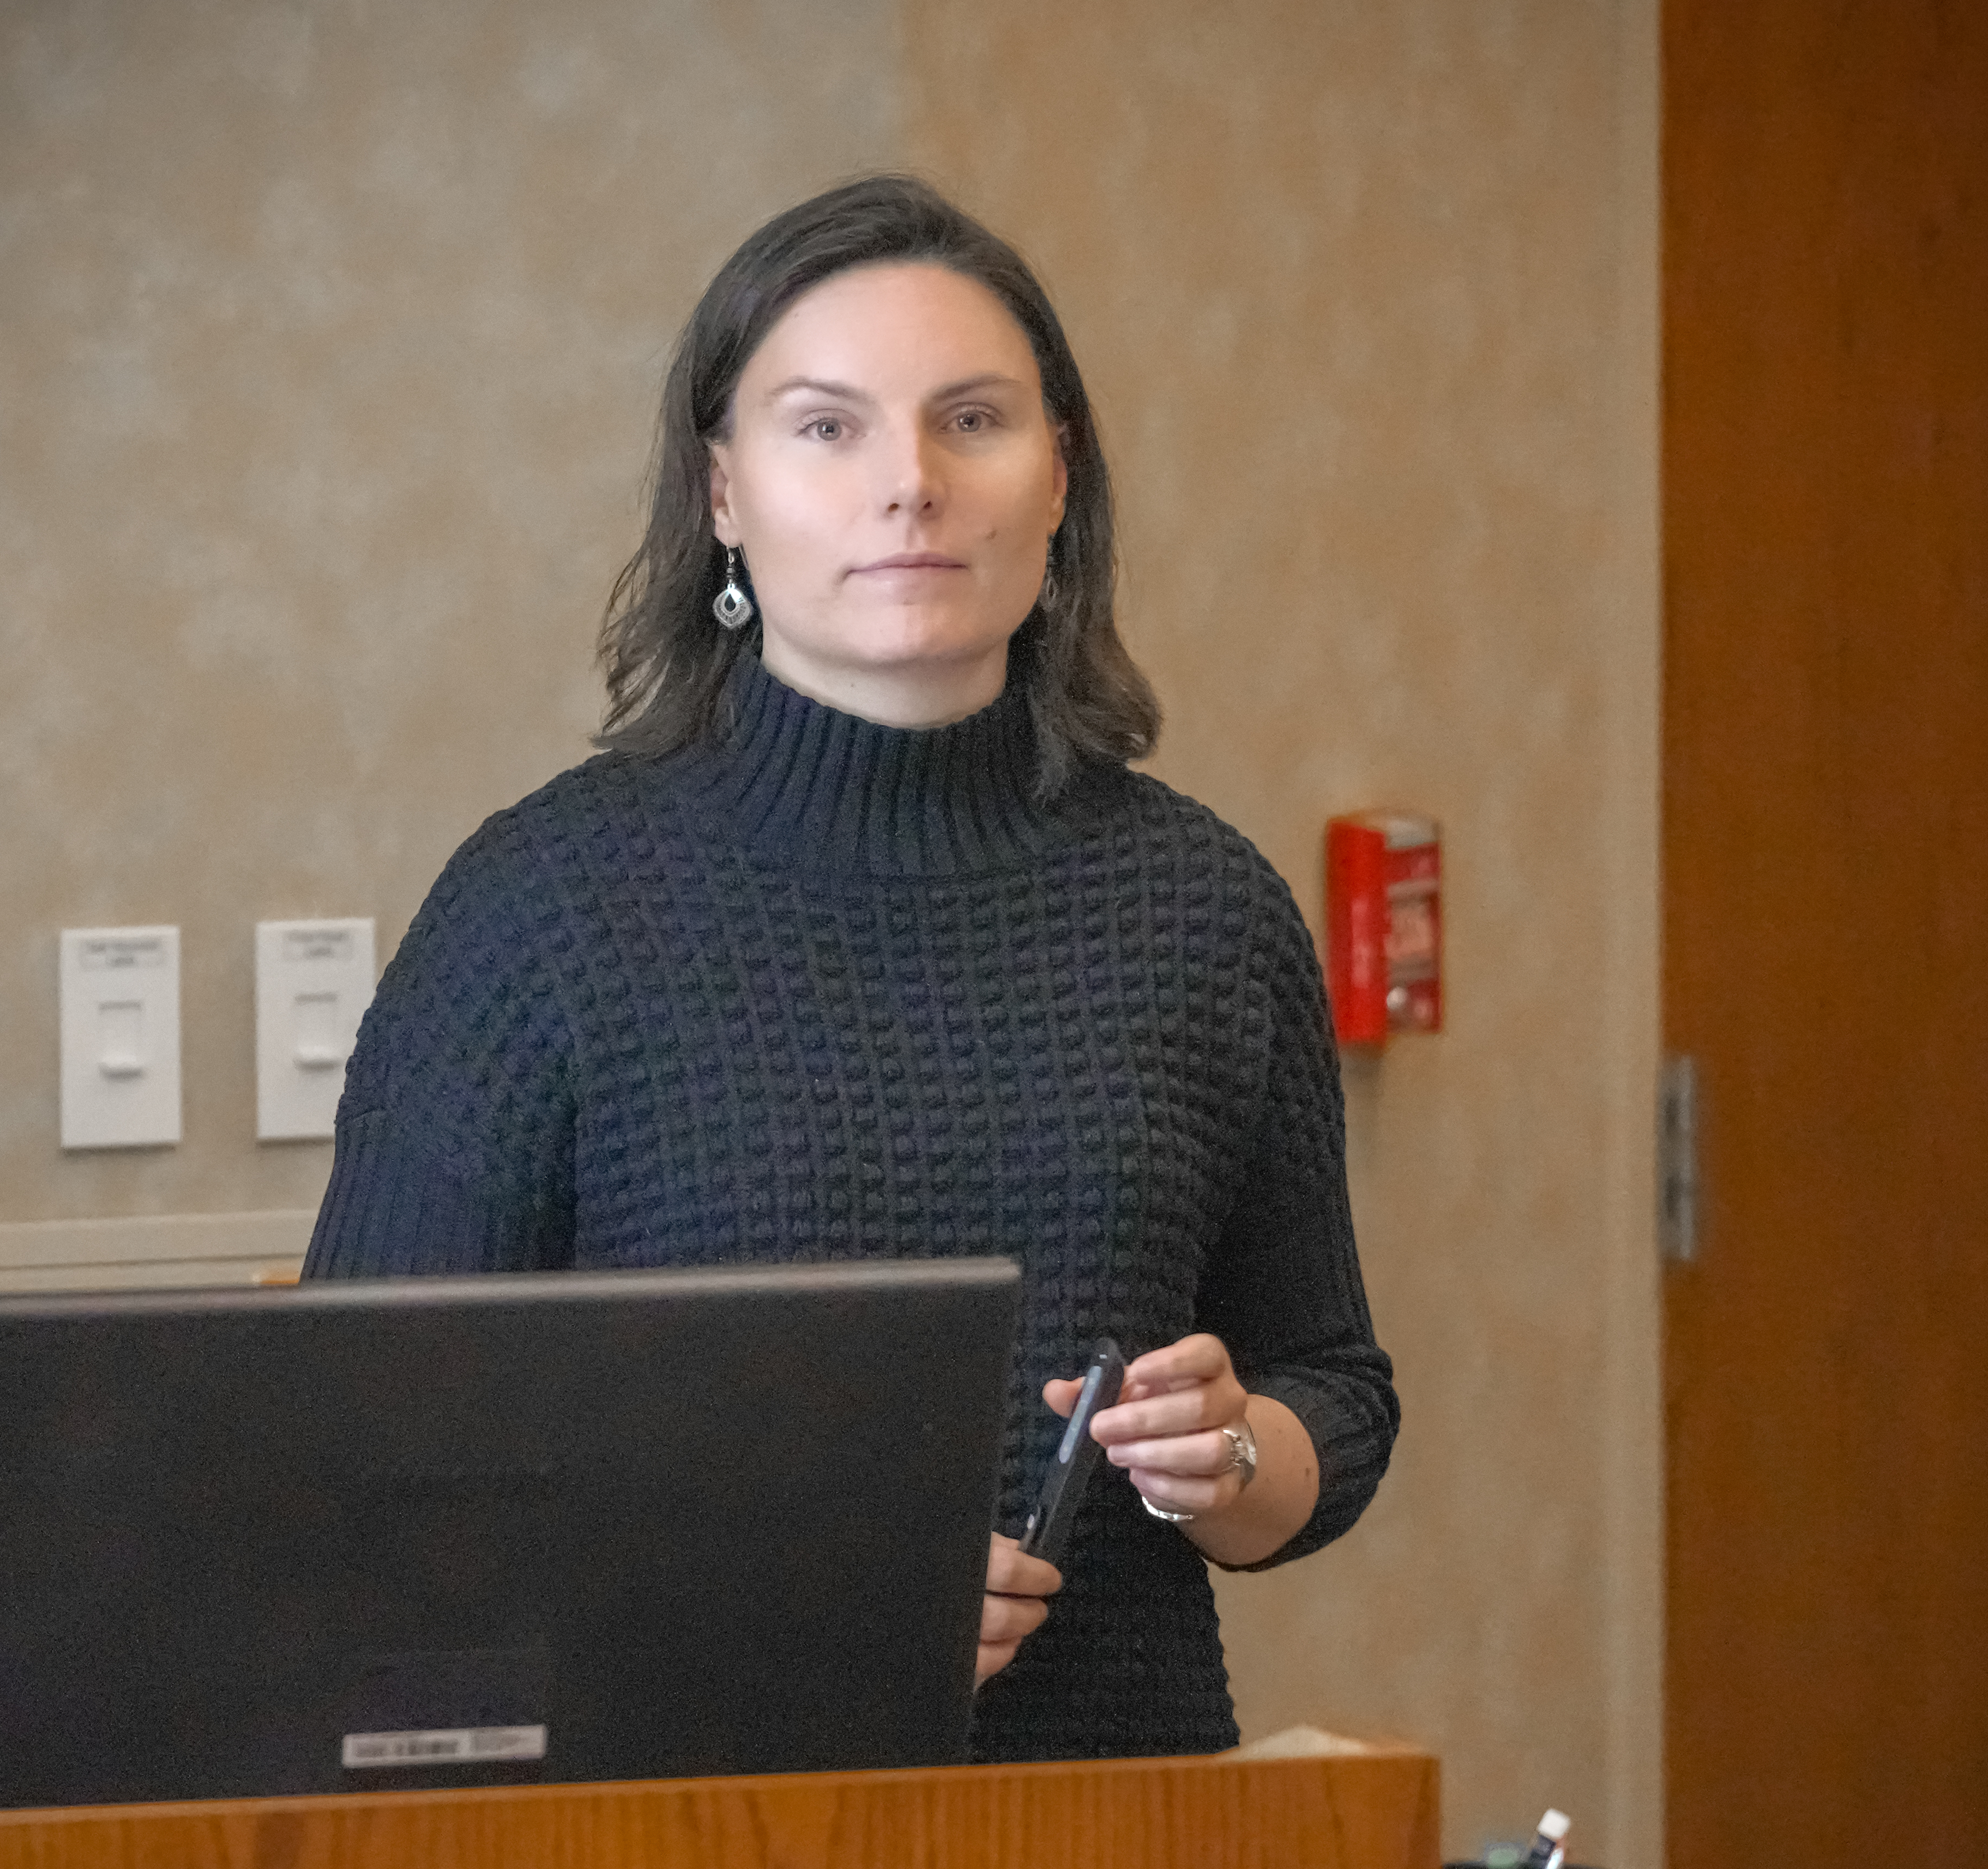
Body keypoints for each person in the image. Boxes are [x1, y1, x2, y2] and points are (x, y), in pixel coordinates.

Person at [304, 175, 1397, 1759]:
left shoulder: (1204, 905)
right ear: (724, 493)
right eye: (826, 427)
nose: (910, 485)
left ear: (1060, 477)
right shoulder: (542, 906)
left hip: (1116, 1836)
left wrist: (1237, 1456)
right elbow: (366, 1460)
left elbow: (1329, 1384)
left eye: (972, 420)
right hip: (669, 1853)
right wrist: (789, 1606)